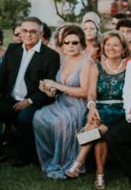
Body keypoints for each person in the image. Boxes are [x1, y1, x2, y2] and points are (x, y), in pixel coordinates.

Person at [0, 16, 60, 167]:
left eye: (33, 31)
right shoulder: (13, 49)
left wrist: (30, 101)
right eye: (24, 31)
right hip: (10, 100)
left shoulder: (50, 56)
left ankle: (25, 155)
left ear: (40, 33)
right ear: (20, 32)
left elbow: (51, 86)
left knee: (24, 118)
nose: (28, 34)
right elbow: (1, 75)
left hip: (34, 101)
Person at [67, 31, 128, 189]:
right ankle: (99, 174)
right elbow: (92, 92)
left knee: (96, 126)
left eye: (115, 45)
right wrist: (92, 106)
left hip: (121, 108)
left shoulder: (129, 67)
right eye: (107, 44)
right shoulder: (97, 67)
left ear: (123, 48)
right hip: (99, 107)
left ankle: (79, 160)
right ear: (103, 47)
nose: (111, 48)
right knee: (99, 129)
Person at [33, 25, 92, 179]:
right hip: (61, 101)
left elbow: (84, 91)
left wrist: (57, 85)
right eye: (67, 43)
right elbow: (57, 90)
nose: (71, 46)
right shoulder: (62, 60)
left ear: (81, 44)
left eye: (75, 42)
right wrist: (48, 88)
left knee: (62, 121)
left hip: (78, 105)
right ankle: (52, 156)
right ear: (62, 44)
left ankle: (67, 162)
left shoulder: (86, 62)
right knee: (39, 116)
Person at [104, 59, 131, 183]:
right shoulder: (130, 64)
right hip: (126, 113)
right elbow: (127, 92)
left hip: (119, 112)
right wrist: (128, 110)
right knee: (112, 137)